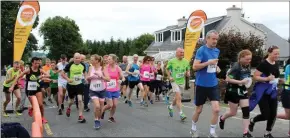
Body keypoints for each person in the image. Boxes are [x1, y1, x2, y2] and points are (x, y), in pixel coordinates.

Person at [191, 30, 221, 138]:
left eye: (216, 39)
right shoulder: (201, 50)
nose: (215, 41)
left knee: (217, 109)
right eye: (213, 39)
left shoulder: (217, 51)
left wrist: (216, 67)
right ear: (207, 39)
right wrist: (209, 62)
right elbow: (195, 67)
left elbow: (214, 65)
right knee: (199, 110)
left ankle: (212, 132)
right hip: (201, 84)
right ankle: (193, 128)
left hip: (213, 84)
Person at [219, 50, 253, 137]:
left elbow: (248, 77)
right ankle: (222, 118)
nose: (248, 61)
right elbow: (228, 79)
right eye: (247, 59)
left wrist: (248, 81)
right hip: (232, 90)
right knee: (233, 112)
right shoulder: (236, 67)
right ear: (240, 58)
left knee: (246, 111)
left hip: (242, 90)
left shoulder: (248, 66)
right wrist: (240, 81)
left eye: (250, 59)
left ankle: (246, 132)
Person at [249, 45, 281, 138]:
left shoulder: (276, 63)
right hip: (262, 92)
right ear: (269, 53)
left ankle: (267, 133)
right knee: (266, 114)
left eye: (278, 53)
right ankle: (253, 120)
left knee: (273, 114)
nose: (277, 55)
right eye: (275, 53)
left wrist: (279, 81)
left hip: (272, 91)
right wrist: (267, 78)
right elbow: (255, 77)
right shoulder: (263, 64)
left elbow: (275, 77)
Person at [11, 57, 50, 123]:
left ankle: (42, 117)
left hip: (37, 88)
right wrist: (12, 86)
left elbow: (48, 75)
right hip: (29, 90)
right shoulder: (28, 70)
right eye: (35, 63)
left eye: (38, 63)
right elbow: (18, 77)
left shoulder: (40, 70)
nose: (37, 65)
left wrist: (42, 76)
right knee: (35, 106)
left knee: (40, 104)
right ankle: (32, 109)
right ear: (32, 63)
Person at [86, 54, 110, 129]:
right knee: (97, 106)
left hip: (102, 90)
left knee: (101, 109)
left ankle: (99, 116)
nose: (91, 61)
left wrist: (101, 76)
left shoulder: (103, 68)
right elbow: (87, 79)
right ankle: (96, 120)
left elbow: (108, 79)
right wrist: (89, 78)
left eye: (92, 60)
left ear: (97, 61)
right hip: (93, 90)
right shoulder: (90, 68)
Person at [166, 48, 190, 121]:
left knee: (177, 97)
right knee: (179, 97)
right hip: (174, 81)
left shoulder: (186, 61)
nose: (182, 54)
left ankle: (170, 107)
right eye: (181, 52)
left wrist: (188, 73)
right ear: (176, 53)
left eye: (183, 53)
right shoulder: (172, 61)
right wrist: (169, 77)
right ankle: (181, 113)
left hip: (182, 81)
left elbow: (188, 70)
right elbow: (167, 69)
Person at [62, 53, 86, 123]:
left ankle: (80, 116)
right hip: (71, 85)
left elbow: (84, 72)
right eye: (76, 58)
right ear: (74, 58)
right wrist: (68, 79)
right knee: (71, 101)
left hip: (79, 84)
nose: (77, 59)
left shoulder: (82, 65)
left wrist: (86, 78)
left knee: (80, 100)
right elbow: (62, 73)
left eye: (79, 58)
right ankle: (69, 107)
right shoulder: (69, 65)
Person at [101, 54, 125, 122]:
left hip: (116, 89)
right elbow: (104, 77)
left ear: (114, 60)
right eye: (107, 59)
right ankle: (102, 111)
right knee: (110, 105)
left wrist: (122, 80)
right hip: (108, 89)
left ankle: (111, 117)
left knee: (115, 105)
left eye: (109, 59)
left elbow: (123, 77)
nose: (107, 60)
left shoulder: (118, 68)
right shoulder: (106, 68)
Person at [277, 58, 290, 136]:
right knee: (288, 115)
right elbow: (285, 79)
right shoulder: (288, 66)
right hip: (288, 92)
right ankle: (272, 115)